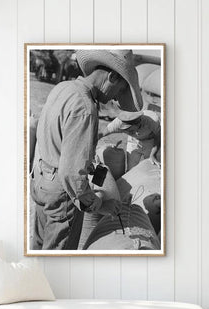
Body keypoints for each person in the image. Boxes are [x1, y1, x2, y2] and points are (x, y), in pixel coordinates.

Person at [31, 49, 143, 250]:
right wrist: (101, 205)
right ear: (112, 77)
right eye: (118, 92)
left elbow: (59, 142)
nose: (114, 100)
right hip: (61, 193)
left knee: (39, 245)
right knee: (58, 256)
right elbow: (72, 174)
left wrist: (93, 170)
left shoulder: (63, 88)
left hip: (41, 179)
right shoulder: (85, 107)